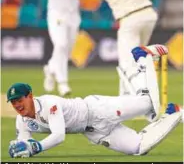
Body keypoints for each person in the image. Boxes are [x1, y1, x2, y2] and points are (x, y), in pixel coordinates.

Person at [8, 44, 181, 158]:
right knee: (138, 148)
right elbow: (24, 139)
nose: (17, 105)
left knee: (149, 104)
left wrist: (35, 147)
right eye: (13, 102)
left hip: (98, 110)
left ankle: (142, 56)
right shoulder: (22, 120)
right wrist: (20, 147)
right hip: (94, 131)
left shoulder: (49, 104)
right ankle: (172, 113)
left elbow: (59, 135)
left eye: (19, 100)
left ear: (30, 96)